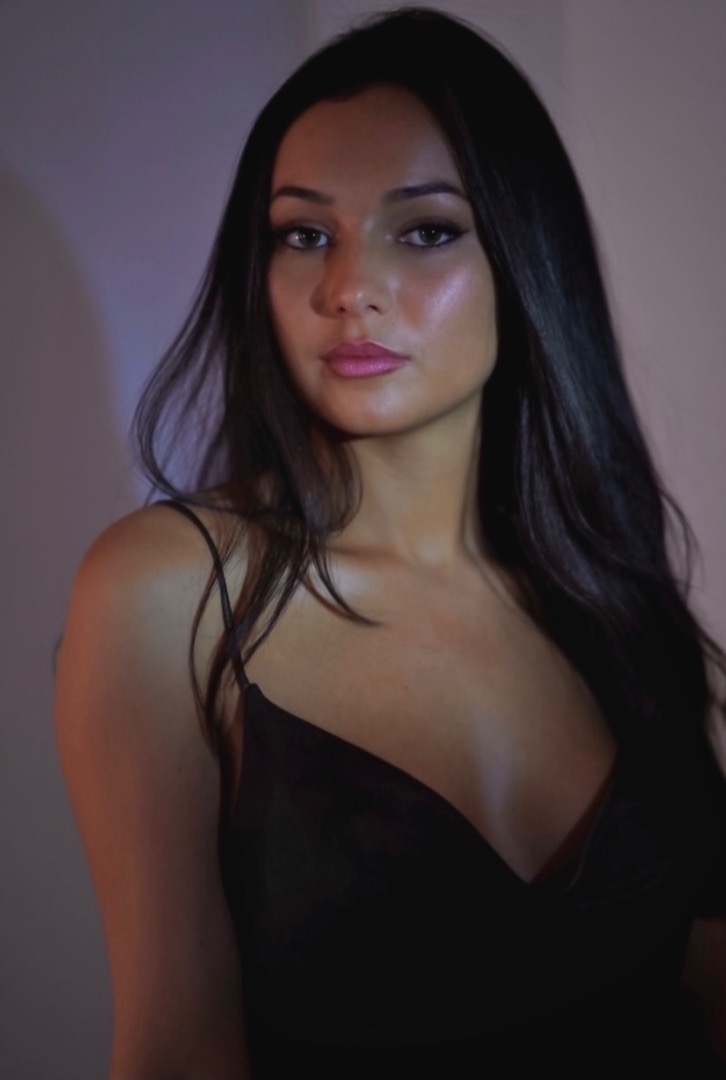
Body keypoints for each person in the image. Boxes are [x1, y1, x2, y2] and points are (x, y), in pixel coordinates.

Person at [54, 7, 726, 1078]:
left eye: (425, 231)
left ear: (525, 256)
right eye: (303, 235)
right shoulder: (168, 593)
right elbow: (176, 1049)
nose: (348, 290)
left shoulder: (629, 616)